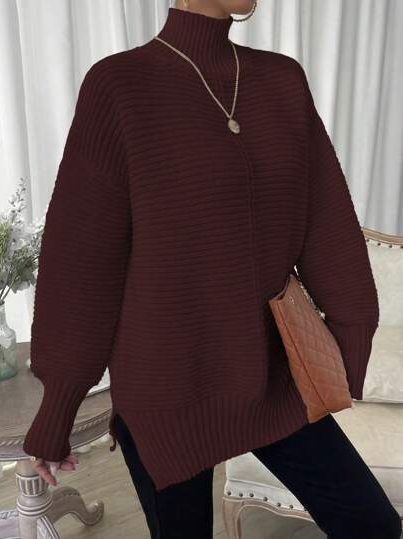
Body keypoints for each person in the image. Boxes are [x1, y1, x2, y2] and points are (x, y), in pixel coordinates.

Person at [23, 0, 402, 537]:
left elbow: (327, 224)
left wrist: (350, 340)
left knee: (373, 525)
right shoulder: (119, 86)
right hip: (164, 393)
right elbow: (81, 264)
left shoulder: (282, 81)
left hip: (272, 379)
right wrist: (58, 408)